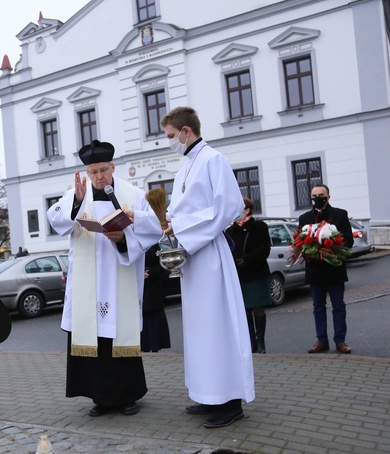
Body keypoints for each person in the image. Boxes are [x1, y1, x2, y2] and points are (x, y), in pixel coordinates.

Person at [157, 106, 255, 428]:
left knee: (219, 328)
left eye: (171, 136)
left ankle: (231, 401)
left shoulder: (214, 160)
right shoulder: (185, 166)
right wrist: (169, 223)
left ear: (186, 131)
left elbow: (229, 206)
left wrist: (183, 228)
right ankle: (208, 393)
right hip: (192, 258)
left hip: (210, 254)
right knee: (200, 330)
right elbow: (178, 209)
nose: (169, 142)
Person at [47, 140, 160, 417]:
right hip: (89, 284)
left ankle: (128, 396)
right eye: (93, 172)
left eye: (103, 170)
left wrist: (124, 239)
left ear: (113, 168)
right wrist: (75, 203)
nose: (99, 177)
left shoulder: (132, 194)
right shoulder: (76, 194)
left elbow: (153, 230)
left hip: (119, 276)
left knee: (119, 335)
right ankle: (100, 398)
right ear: (87, 172)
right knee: (94, 339)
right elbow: (55, 220)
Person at [298, 184, 354, 354]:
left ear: (328, 197)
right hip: (315, 270)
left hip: (334, 268)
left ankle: (340, 341)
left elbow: (348, 241)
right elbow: (300, 242)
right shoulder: (305, 217)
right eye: (314, 195)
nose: (317, 198)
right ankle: (321, 340)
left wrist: (331, 249)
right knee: (318, 307)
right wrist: (312, 250)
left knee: (338, 306)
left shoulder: (340, 214)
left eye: (321, 195)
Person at [225, 197, 272, 354]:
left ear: (247, 210)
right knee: (244, 310)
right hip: (239, 275)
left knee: (258, 308)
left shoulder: (259, 226)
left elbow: (264, 249)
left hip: (256, 273)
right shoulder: (230, 230)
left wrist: (247, 260)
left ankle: (261, 343)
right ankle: (250, 342)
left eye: (239, 209)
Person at [141, 244, 171, 353]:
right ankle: (143, 345)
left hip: (152, 287)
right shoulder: (133, 243)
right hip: (137, 287)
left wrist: (150, 272)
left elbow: (163, 264)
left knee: (153, 319)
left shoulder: (155, 245)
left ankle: (155, 346)